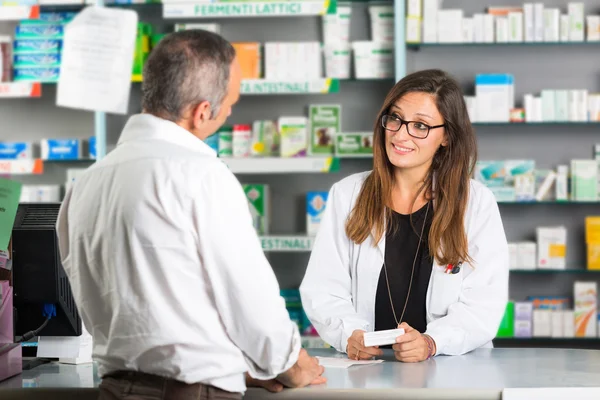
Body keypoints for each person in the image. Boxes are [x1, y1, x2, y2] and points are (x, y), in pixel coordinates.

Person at [56, 30, 325, 400]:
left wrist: (230, 364)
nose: (230, 111)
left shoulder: (85, 183)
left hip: (114, 389)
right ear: (201, 112)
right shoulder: (202, 175)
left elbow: (104, 304)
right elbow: (249, 299)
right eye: (231, 102)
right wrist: (291, 365)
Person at [300, 69, 509, 363]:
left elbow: (483, 304)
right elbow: (323, 290)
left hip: (450, 370)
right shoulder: (348, 195)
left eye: (420, 126)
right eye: (395, 119)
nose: (400, 134)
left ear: (447, 136)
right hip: (366, 369)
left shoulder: (475, 204)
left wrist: (432, 342)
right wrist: (350, 335)